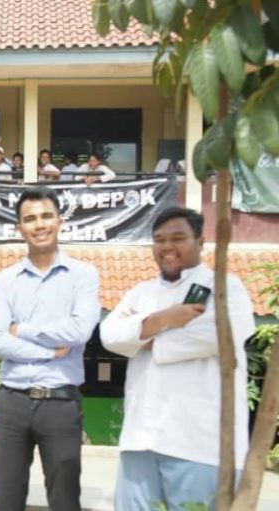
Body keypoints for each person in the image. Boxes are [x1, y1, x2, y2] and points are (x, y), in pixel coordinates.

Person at [100, 207, 255, 511]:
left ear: (201, 241)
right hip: (140, 440)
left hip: (200, 445)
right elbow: (109, 334)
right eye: (159, 239)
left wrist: (144, 336)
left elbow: (219, 335)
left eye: (178, 238)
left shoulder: (225, 287)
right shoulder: (141, 292)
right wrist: (164, 319)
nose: (167, 246)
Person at [0, 186, 100, 511]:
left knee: (65, 502)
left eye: (47, 216)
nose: (40, 224)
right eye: (30, 219)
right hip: (11, 404)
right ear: (19, 227)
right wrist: (49, 351)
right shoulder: (5, 281)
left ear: (60, 221)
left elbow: (79, 330)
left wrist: (22, 330)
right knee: (6, 502)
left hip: (60, 404)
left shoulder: (83, 276)